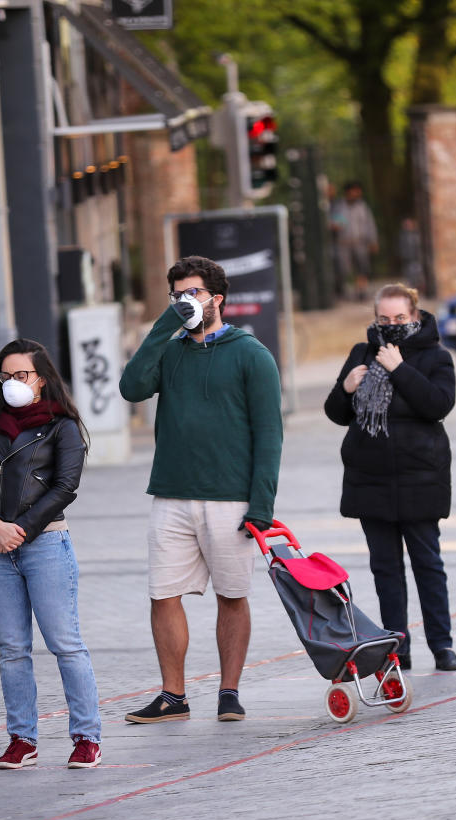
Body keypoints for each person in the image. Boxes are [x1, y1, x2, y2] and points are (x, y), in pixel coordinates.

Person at [119, 255, 283, 723]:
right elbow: (132, 388)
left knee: (232, 595)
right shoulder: (169, 349)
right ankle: (173, 695)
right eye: (177, 295)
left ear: (218, 299)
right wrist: (163, 326)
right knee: (162, 594)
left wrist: (262, 505)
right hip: (171, 495)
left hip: (231, 499)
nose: (184, 302)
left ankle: (229, 691)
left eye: (193, 293)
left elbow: (270, 433)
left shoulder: (251, 354)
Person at [0, 339, 103, 770]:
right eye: (5, 376)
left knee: (65, 644)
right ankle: (22, 739)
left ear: (41, 379)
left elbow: (65, 488)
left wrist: (21, 530)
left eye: (21, 375)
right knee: (12, 649)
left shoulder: (63, 427)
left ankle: (86, 736)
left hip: (45, 545)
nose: (12, 383)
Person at [324, 284, 456, 672]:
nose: (391, 325)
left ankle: (442, 645)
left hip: (421, 476)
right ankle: (397, 646)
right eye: (384, 319)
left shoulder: (435, 356)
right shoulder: (361, 352)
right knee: (385, 569)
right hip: (372, 479)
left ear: (415, 316)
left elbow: (437, 405)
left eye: (399, 318)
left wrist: (398, 368)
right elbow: (337, 413)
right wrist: (346, 388)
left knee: (428, 565)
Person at [331, 181, 379, 301]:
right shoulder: (338, 206)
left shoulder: (362, 206)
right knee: (342, 269)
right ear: (348, 192)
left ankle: (361, 291)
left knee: (362, 267)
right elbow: (332, 221)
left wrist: (373, 240)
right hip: (343, 242)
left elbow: (370, 224)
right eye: (354, 191)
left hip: (360, 242)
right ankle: (340, 290)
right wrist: (334, 225)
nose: (357, 193)